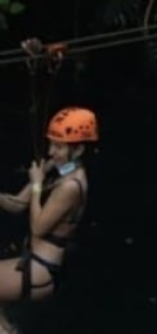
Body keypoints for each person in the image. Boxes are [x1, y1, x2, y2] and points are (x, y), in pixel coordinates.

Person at [0, 107, 98, 333]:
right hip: (33, 261)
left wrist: (36, 183)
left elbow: (38, 227)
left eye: (59, 147)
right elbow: (17, 204)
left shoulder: (72, 186)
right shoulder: (59, 170)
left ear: (79, 149)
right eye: (51, 144)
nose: (52, 152)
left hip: (41, 269)